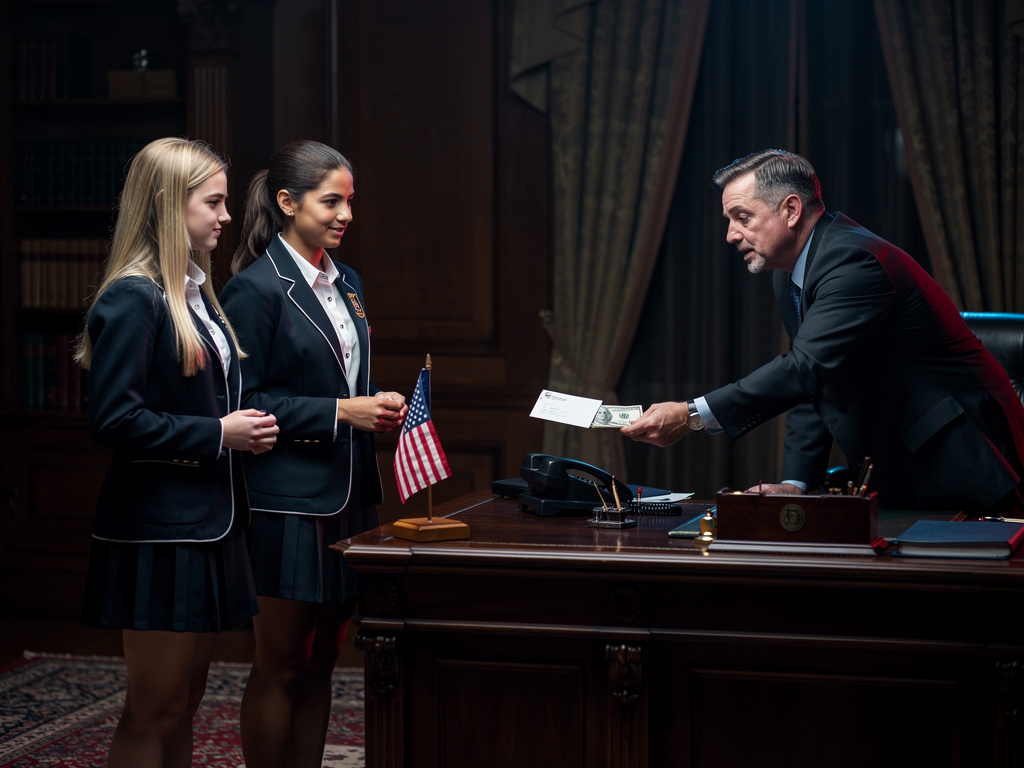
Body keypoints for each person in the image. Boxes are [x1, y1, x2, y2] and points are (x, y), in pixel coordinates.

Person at [622, 149, 1024, 513]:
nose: (731, 234)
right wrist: (796, 483)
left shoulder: (853, 260)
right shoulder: (789, 271)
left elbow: (803, 369)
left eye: (742, 217)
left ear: (791, 209)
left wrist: (692, 415)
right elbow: (815, 383)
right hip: (899, 467)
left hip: (961, 460)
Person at [75, 137, 280, 768]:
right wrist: (219, 434)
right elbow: (113, 420)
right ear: (167, 203)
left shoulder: (196, 293)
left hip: (208, 525)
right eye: (213, 202)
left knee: (185, 702)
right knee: (153, 708)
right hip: (158, 532)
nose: (226, 216)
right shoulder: (132, 298)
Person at [219, 140, 408, 768]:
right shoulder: (254, 289)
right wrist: (340, 413)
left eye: (350, 201)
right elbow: (246, 401)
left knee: (325, 662)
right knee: (279, 664)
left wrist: (370, 404)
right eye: (332, 201)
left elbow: (341, 380)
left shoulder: (347, 281)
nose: (345, 213)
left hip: (352, 494)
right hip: (286, 503)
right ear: (286, 202)